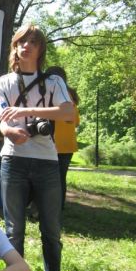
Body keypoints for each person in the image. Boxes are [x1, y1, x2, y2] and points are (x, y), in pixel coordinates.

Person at [0, 24, 76, 271]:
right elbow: (2, 120)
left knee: (51, 230)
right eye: (21, 42)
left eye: (33, 42)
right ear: (15, 47)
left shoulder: (53, 82)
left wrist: (27, 111)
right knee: (13, 230)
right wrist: (9, 132)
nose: (26, 46)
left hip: (47, 162)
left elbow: (68, 112)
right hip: (13, 160)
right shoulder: (4, 82)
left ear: (40, 50)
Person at [45, 66, 80, 210]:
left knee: (47, 178)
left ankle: (47, 208)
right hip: (68, 145)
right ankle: (59, 208)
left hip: (53, 143)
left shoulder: (50, 94)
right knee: (60, 178)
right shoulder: (70, 95)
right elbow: (76, 122)